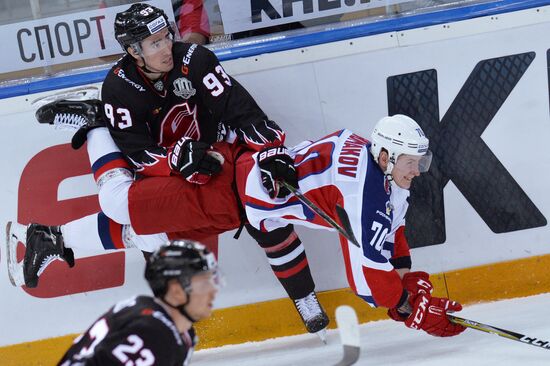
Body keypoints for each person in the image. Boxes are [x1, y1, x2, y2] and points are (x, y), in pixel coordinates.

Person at [6, 2, 329, 337]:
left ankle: (305, 297)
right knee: (129, 212)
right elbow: (137, 152)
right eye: (155, 43)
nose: (166, 48)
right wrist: (176, 160)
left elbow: (239, 109)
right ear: (134, 50)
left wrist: (271, 150)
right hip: (169, 164)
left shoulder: (195, 61)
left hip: (217, 150)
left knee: (264, 211)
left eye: (167, 37)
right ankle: (96, 123)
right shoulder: (118, 87)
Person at [9, 110, 466, 338]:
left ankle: (51, 239)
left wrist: (409, 287)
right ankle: (96, 126)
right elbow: (368, 283)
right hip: (229, 197)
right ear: (387, 156)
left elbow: (394, 230)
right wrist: (406, 306)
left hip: (241, 181)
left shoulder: (369, 155)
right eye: (412, 162)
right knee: (120, 204)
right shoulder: (364, 198)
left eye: (420, 162)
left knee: (155, 232)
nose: (417, 170)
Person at [58, 239, 219, 365]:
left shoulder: (176, 330)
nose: (214, 290)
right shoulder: (154, 333)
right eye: (204, 283)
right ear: (177, 291)